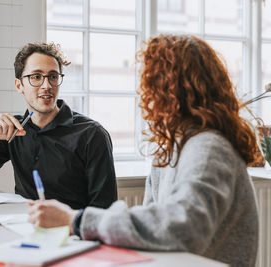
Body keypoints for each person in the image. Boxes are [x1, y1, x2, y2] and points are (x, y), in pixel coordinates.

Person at [28, 35, 259, 267]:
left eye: (151, 83)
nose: (144, 94)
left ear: (174, 91)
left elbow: (182, 228)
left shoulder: (209, 148)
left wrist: (75, 220)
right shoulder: (170, 150)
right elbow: (152, 230)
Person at [0, 42, 117, 209]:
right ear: (19, 85)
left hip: (72, 231)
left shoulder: (92, 135)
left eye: (53, 76)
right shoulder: (14, 130)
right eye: (36, 76)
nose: (47, 85)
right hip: (24, 226)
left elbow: (105, 209)